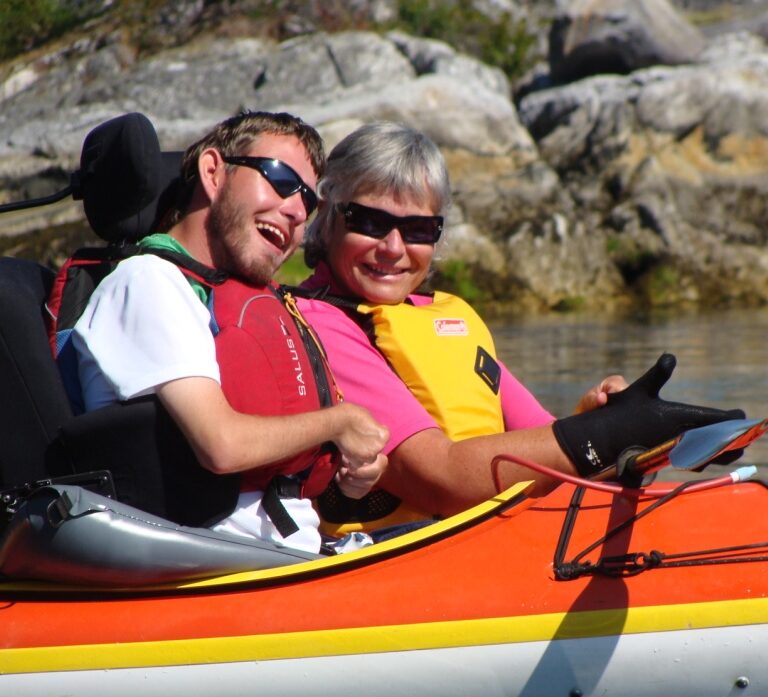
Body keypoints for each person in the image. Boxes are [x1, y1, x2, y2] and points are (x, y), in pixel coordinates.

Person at [297, 121, 743, 537]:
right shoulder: (318, 325)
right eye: (370, 222)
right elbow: (445, 479)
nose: (393, 248)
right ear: (327, 213)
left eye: (418, 229)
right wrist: (613, 432)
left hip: (482, 542)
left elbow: (554, 453)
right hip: (398, 562)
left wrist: (615, 424)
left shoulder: (442, 319)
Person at [71, 111, 389, 554]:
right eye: (279, 180)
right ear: (213, 171)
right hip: (209, 564)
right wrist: (339, 422)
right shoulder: (148, 282)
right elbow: (221, 445)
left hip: (286, 554)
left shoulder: (235, 298)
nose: (297, 210)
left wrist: (350, 475)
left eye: (308, 201)